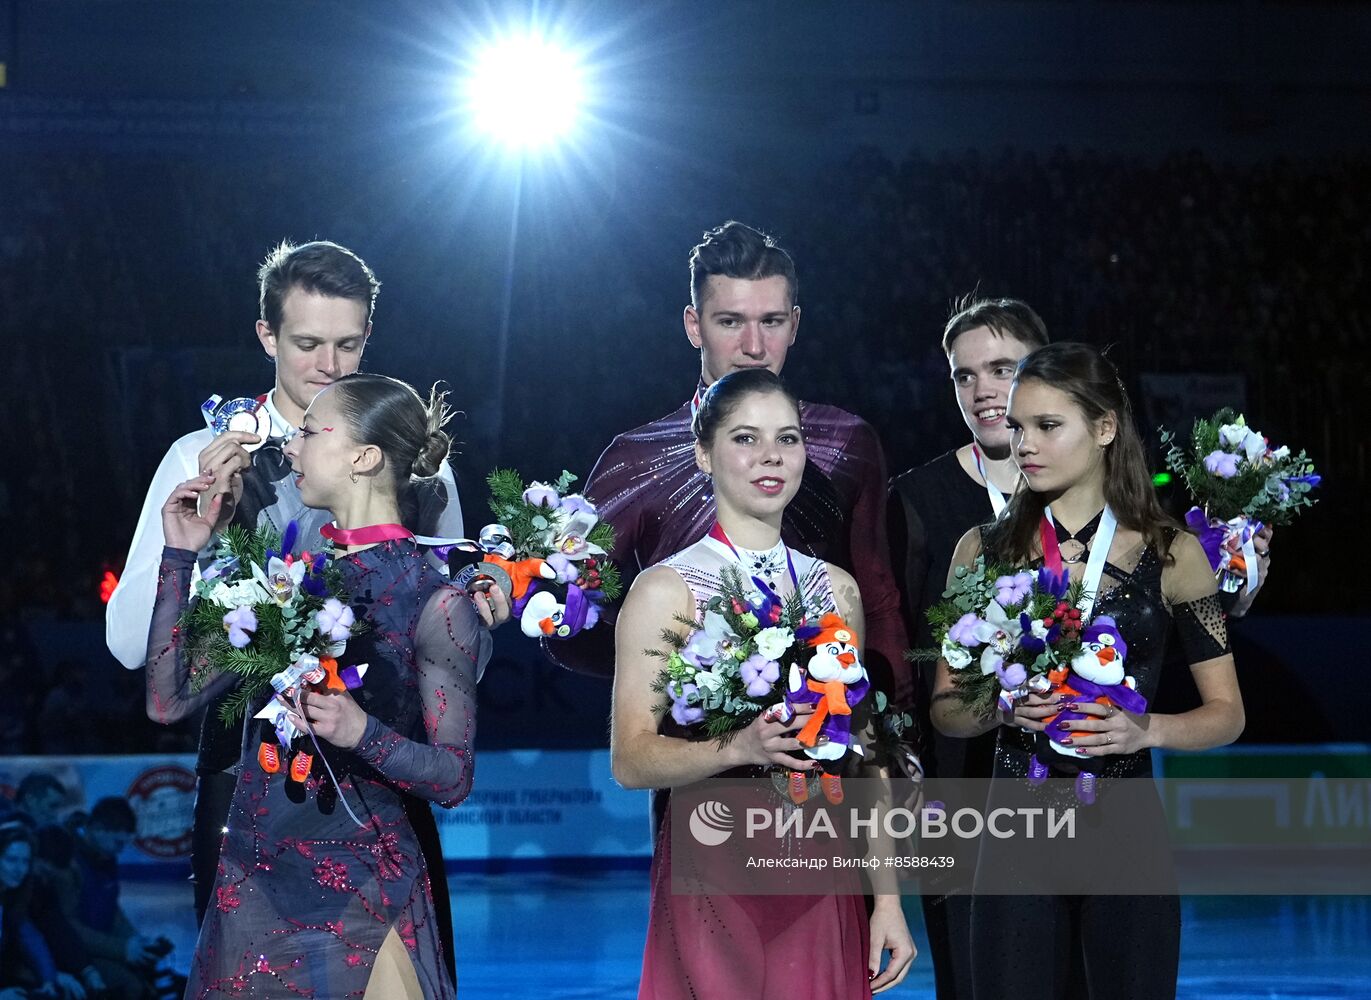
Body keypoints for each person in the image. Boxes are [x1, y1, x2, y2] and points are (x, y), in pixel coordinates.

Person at [107, 242, 487, 976]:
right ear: (266, 337)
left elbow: (459, 660)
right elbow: (131, 646)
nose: (329, 366)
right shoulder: (200, 455)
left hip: (382, 786)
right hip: (246, 777)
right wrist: (204, 545)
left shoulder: (417, 463)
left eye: (348, 344)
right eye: (307, 343)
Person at [931, 343, 1245, 1000]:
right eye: (1017, 427)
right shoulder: (980, 550)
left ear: (1103, 428)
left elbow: (1226, 714)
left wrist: (1145, 730)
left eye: (1048, 426)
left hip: (1126, 839)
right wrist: (1002, 708)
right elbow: (947, 708)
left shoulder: (1172, 553)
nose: (1024, 443)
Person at [611, 369, 915, 998]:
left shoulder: (837, 589)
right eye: (746, 438)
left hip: (822, 865)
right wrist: (739, 748)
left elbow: (863, 757)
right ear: (704, 453)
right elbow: (631, 759)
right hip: (715, 861)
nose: (771, 456)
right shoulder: (666, 590)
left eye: (789, 438)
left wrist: (887, 900)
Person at [546, 222, 910, 710]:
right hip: (696, 761)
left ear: (796, 324)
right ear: (694, 325)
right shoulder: (638, 458)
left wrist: (893, 736)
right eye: (731, 321)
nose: (754, 347)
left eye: (773, 322)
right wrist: (697, 675)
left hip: (828, 749)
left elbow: (880, 605)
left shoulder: (847, 444)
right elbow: (566, 620)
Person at [888, 295, 1049, 999]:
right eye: (963, 375)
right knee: (970, 979)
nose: (982, 390)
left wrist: (1238, 580)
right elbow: (897, 645)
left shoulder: (1085, 494)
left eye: (1001, 369)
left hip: (1074, 774)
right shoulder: (916, 498)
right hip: (955, 782)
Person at [0, 821, 105, 1000]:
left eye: (25, 861)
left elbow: (32, 939)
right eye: (11, 860)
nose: (20, 869)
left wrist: (49, 979)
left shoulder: (13, 899)